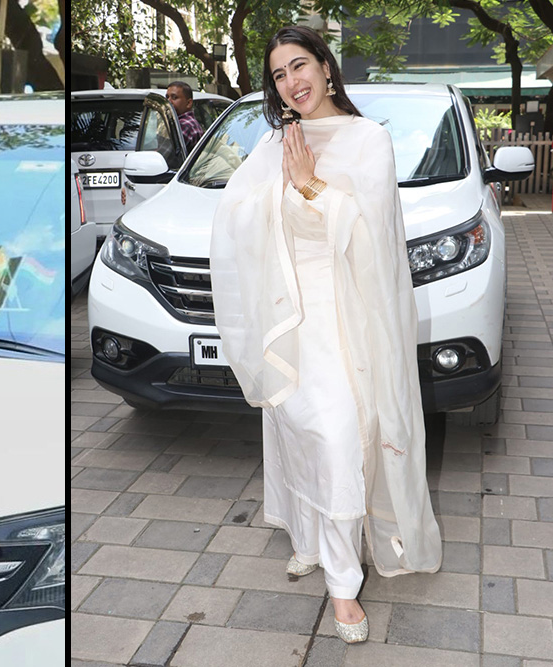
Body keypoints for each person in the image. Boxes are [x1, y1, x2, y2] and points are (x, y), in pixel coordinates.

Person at [208, 25, 442, 644]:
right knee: (294, 432)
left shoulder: (368, 141)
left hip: (344, 319)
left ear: (327, 68)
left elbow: (374, 239)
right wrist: (273, 193)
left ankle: (344, 585)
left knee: (339, 440)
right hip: (284, 318)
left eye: (300, 65)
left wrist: (310, 184)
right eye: (279, 75)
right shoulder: (274, 143)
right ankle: (307, 538)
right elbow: (235, 218)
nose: (292, 82)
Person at [166, 81, 204, 151]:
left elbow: (165, 155)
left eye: (174, 97)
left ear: (189, 103)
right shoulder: (179, 122)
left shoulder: (184, 125)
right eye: (167, 97)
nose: (169, 101)